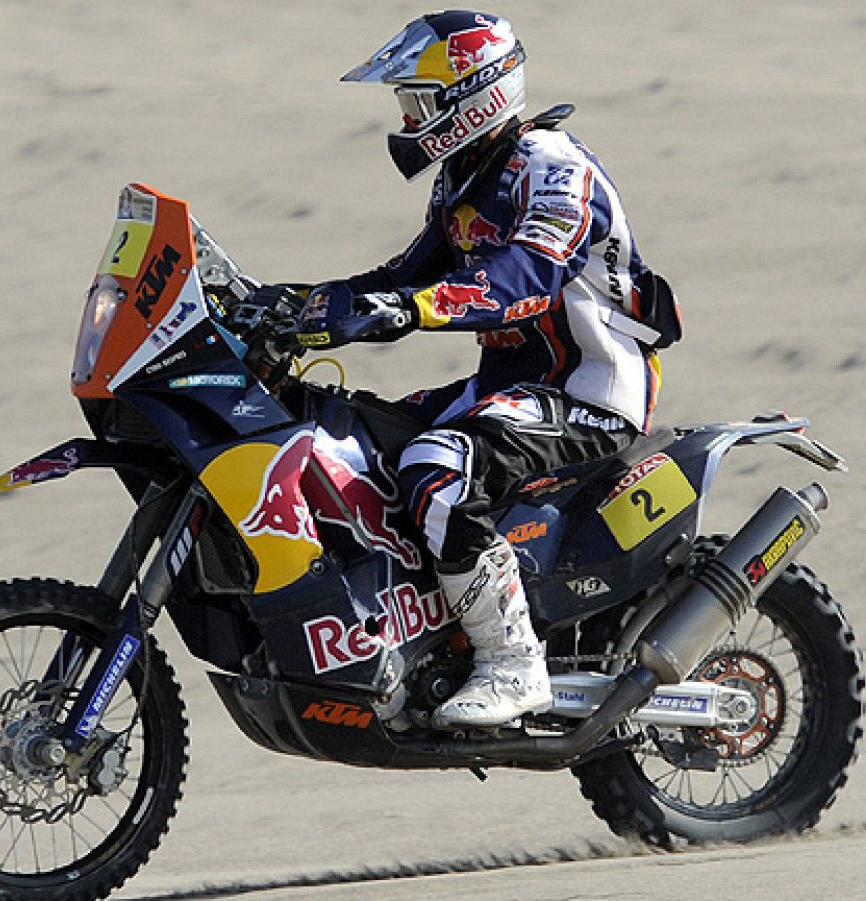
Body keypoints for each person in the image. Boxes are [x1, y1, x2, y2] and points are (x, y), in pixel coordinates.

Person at [291, 10, 678, 728]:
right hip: (507, 388)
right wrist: (288, 307)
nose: (408, 118)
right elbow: (402, 274)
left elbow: (520, 278)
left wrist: (408, 310)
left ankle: (513, 663)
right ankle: (417, 636)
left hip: (589, 390)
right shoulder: (465, 177)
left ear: (474, 94)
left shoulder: (554, 168)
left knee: (438, 464)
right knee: (355, 436)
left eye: (419, 101)